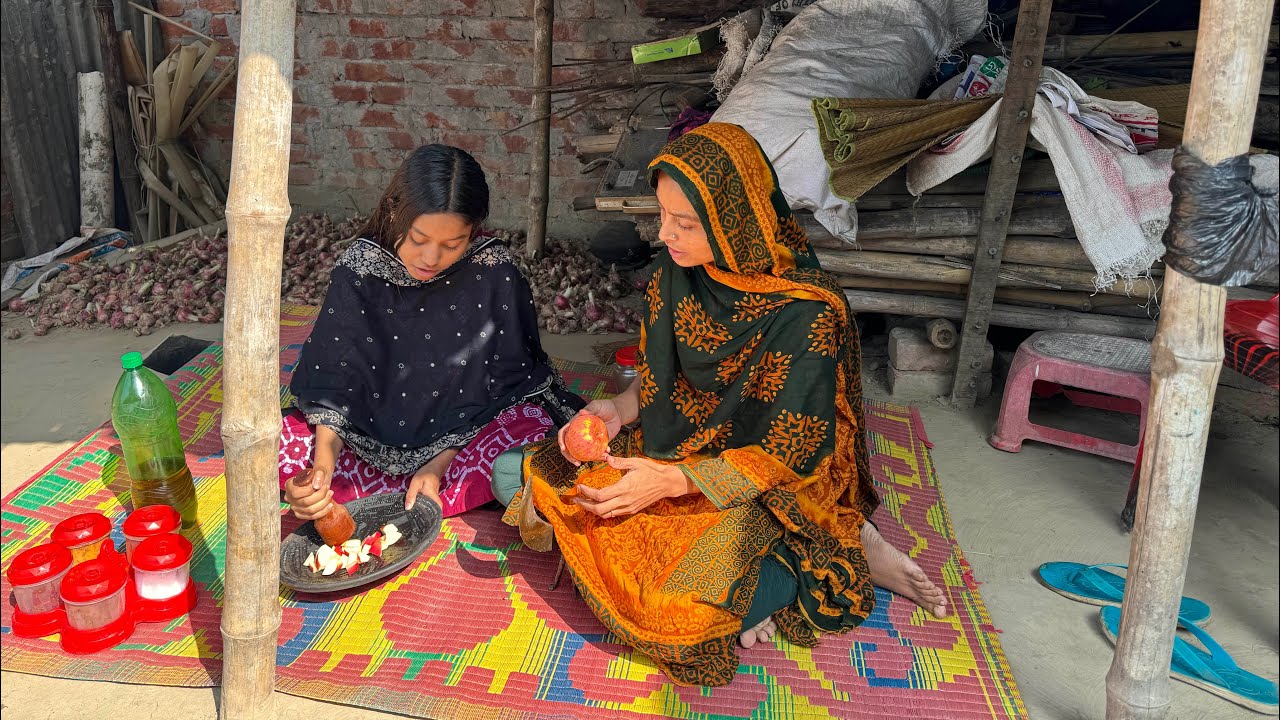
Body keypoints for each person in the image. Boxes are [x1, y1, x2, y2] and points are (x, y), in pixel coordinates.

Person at [491, 124, 947, 687]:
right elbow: (661, 390)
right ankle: (749, 599)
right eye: (662, 216)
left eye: (685, 223)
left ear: (737, 219)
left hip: (764, 489)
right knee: (516, 476)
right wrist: (619, 410)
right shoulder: (673, 278)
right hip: (670, 449)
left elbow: (793, 453)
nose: (666, 236)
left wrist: (671, 483)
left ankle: (828, 553)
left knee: (678, 601)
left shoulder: (807, 315)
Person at [280, 144, 583, 521]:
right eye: (418, 239)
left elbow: (506, 384)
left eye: (452, 245)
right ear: (394, 211)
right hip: (365, 431)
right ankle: (361, 484)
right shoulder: (361, 268)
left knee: (533, 433)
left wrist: (436, 466)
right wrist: (322, 468)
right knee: (282, 444)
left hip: (463, 434)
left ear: (473, 233)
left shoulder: (492, 273)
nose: (430, 258)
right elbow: (333, 381)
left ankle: (411, 484)